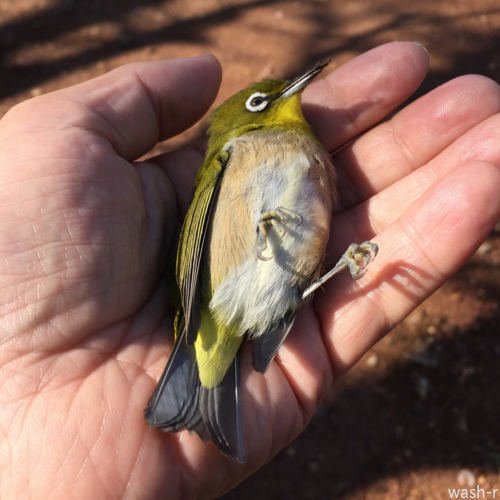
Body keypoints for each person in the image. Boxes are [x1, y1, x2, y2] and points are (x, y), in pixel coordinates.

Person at [0, 42, 499, 500]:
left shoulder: (315, 157)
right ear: (248, 119)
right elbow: (197, 237)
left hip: (256, 304)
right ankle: (202, 388)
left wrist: (336, 264)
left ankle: (208, 393)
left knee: (290, 291)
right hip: (214, 294)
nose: (288, 97)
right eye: (264, 101)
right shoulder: (232, 150)